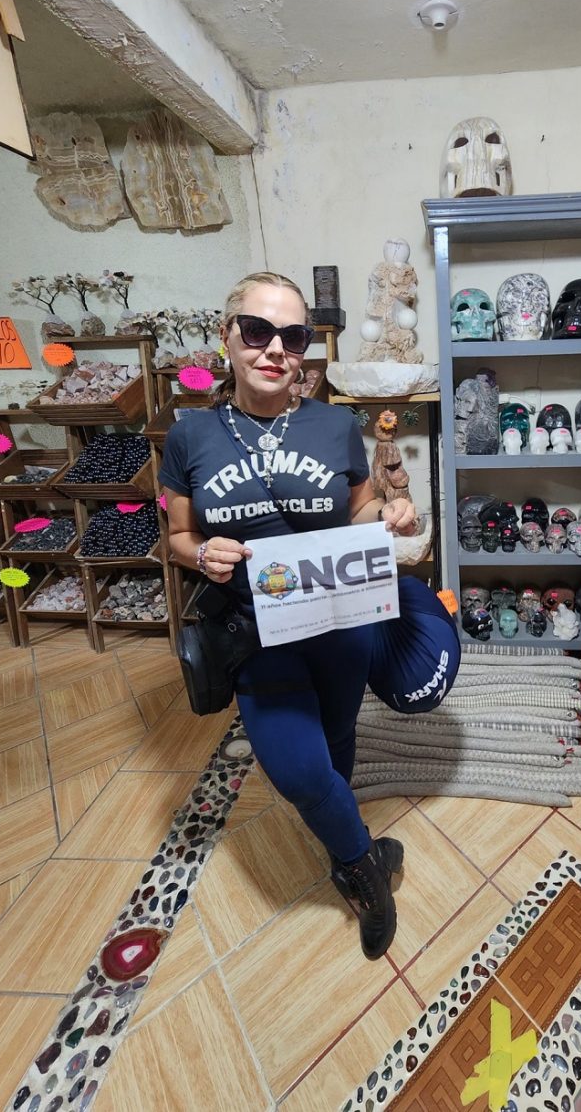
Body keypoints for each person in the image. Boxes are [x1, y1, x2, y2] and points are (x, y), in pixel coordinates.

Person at [161, 271, 422, 959]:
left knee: (336, 741)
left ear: (307, 348)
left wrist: (391, 511)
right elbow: (176, 536)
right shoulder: (190, 437)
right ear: (228, 339)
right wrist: (200, 554)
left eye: (293, 336)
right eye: (257, 331)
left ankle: (344, 858)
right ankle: (367, 866)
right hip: (259, 633)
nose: (275, 349)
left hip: (344, 625)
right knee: (298, 770)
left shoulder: (336, 425)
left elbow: (360, 507)